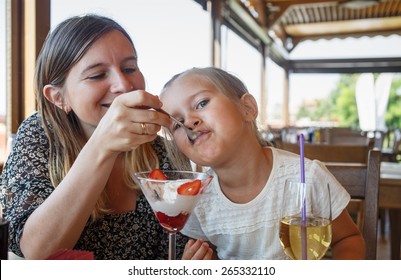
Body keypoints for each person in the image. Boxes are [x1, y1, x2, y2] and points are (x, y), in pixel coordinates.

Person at [0, 14, 212, 260]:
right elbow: (37, 252)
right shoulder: (39, 135)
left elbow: (183, 244)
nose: (123, 84)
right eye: (97, 75)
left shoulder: (161, 149)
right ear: (59, 97)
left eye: (130, 68)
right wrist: (103, 144)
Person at [159, 67, 366, 260]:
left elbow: (348, 239)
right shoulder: (198, 200)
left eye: (201, 103)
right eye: (177, 123)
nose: (188, 122)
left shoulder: (306, 176)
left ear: (247, 108)